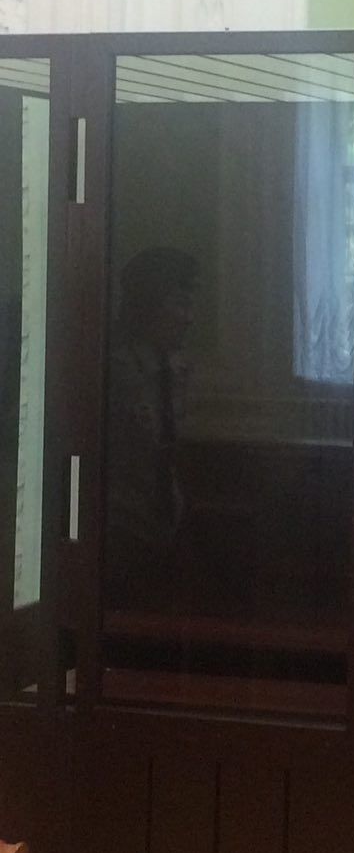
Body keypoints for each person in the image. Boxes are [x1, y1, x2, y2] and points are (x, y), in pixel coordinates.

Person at [104, 247, 198, 610]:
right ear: (148, 306)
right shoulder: (113, 372)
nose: (189, 318)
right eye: (179, 304)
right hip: (119, 533)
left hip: (163, 529)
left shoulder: (177, 370)